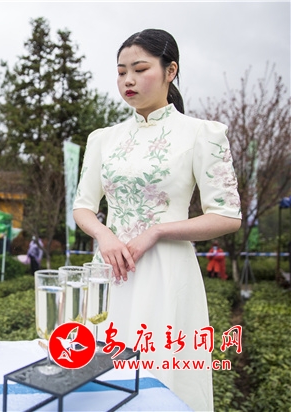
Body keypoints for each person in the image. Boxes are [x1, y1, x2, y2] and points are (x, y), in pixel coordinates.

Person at [72, 29, 241, 411]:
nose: (128, 80)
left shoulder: (201, 134)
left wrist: (158, 230)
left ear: (170, 71)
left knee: (162, 378)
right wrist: (103, 234)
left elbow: (227, 215)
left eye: (139, 69)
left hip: (167, 273)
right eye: (121, 72)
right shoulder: (103, 139)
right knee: (103, 379)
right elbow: (83, 206)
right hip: (109, 273)